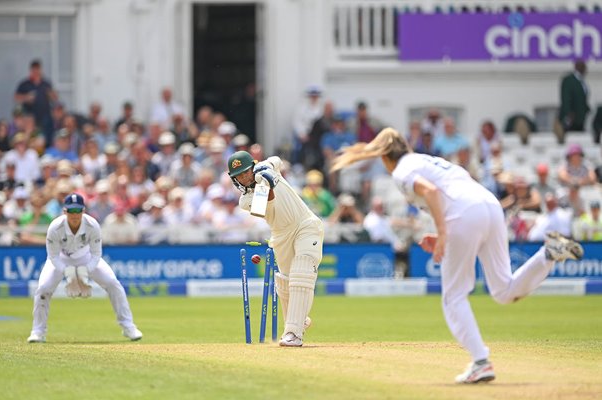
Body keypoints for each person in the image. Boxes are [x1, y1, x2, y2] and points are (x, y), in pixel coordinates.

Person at [331, 127, 584, 384]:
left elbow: (431, 192)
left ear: (385, 156)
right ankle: (548, 254)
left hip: (466, 213)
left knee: (453, 297)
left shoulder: (401, 170)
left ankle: (481, 362)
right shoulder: (429, 160)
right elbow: (454, 196)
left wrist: (442, 232)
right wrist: (446, 232)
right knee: (503, 291)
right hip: (490, 205)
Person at [227, 150, 323, 347]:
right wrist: (266, 184)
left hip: (305, 225)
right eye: (239, 176)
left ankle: (293, 333)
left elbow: (277, 160)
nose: (244, 178)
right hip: (280, 236)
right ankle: (298, 319)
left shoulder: (264, 168)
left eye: (246, 172)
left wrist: (269, 168)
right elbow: (265, 204)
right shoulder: (245, 201)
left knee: (302, 272)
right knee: (285, 283)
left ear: (252, 167)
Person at [27, 193, 143, 343]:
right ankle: (38, 332)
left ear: (83, 211)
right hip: (61, 258)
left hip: (86, 257)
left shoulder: (92, 224)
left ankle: (129, 327)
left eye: (78, 211)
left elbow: (96, 254)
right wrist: (67, 271)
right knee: (43, 288)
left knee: (113, 284)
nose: (74, 215)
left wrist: (85, 270)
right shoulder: (55, 227)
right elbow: (53, 256)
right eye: (71, 211)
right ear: (64, 211)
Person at [14, 59, 59, 146]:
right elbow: (16, 97)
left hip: (44, 115)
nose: (36, 72)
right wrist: (26, 97)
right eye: (34, 69)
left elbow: (55, 98)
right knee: (30, 135)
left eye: (38, 69)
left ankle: (46, 149)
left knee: (46, 135)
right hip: (30, 115)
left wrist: (52, 95)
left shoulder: (46, 83)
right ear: (31, 70)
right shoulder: (25, 84)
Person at [556, 60, 590, 142]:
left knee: (579, 139)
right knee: (570, 138)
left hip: (581, 118)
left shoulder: (581, 81)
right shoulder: (569, 80)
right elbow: (566, 98)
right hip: (572, 118)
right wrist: (568, 113)